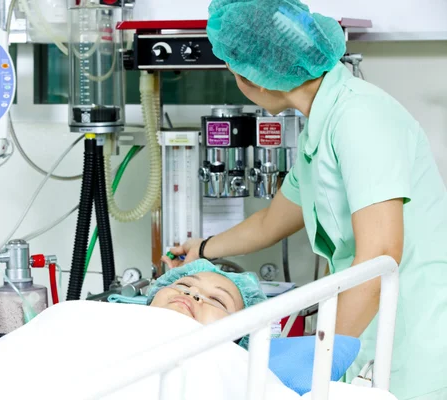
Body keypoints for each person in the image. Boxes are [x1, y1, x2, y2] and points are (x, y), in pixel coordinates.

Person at [163, 1, 447, 399]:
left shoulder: (359, 116)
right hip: (371, 328)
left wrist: (322, 357)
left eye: (234, 71)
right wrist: (203, 249)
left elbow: (382, 253)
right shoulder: (322, 127)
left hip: (417, 333)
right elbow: (270, 222)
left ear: (256, 78)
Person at [0, 260, 267, 381]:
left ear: (241, 335)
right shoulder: (88, 316)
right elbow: (18, 356)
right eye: (185, 284)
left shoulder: (232, 364)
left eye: (217, 300)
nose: (193, 295)